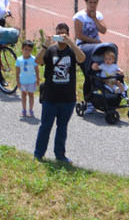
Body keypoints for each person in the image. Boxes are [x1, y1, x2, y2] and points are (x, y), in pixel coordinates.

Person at [35, 21, 85, 164]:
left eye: (64, 33)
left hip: (67, 99)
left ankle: (60, 155)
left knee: (62, 129)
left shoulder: (72, 51)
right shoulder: (50, 50)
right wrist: (45, 45)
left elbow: (82, 58)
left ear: (68, 35)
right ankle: (38, 154)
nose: (61, 35)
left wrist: (72, 44)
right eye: (58, 33)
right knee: (45, 127)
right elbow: (38, 61)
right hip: (50, 98)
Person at [15, 38, 38, 119]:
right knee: (23, 95)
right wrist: (17, 81)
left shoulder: (33, 59)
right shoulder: (19, 59)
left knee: (31, 95)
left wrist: (37, 79)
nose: (27, 51)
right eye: (25, 49)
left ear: (31, 50)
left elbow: (37, 70)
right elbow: (17, 72)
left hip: (31, 81)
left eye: (29, 50)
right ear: (22, 49)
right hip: (23, 81)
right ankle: (24, 110)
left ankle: (31, 110)